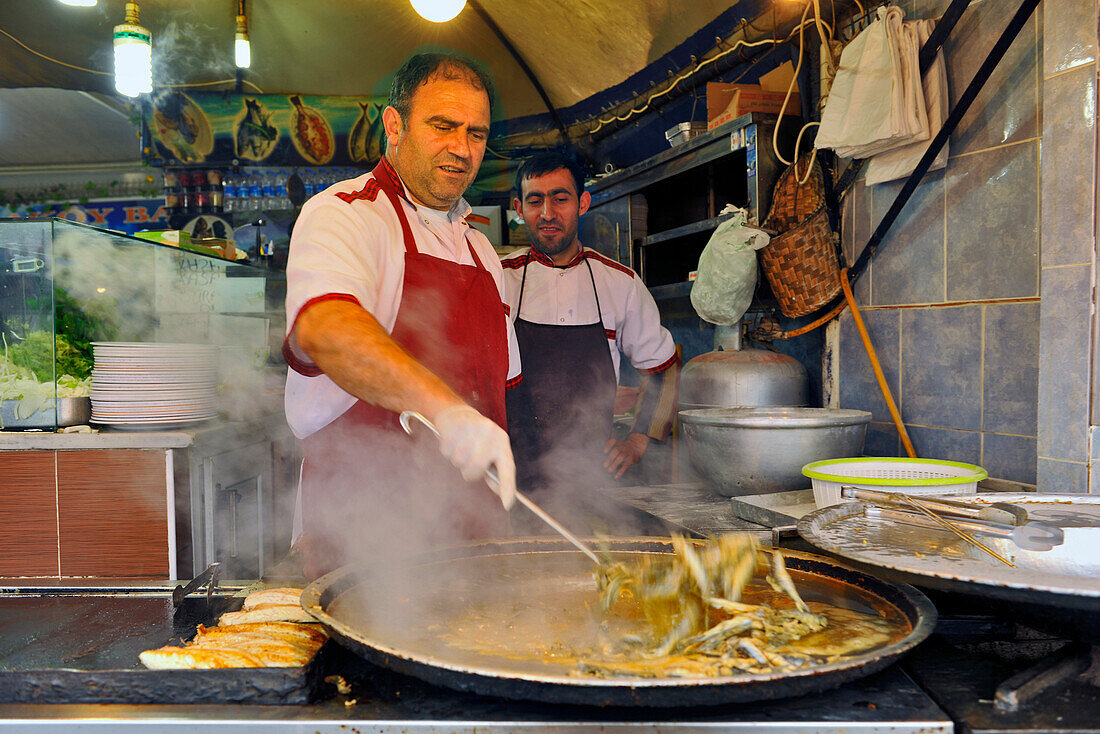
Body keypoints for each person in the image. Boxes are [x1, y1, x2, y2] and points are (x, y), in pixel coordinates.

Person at [283, 52, 522, 579]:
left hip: (474, 546)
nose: (462, 148)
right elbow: (326, 330)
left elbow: (500, 393)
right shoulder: (344, 214)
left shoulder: (483, 251)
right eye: (443, 126)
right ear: (395, 125)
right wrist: (449, 411)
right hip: (364, 548)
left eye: (477, 134)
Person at [502, 150, 680, 494]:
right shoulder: (497, 279)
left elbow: (664, 369)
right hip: (510, 473)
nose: (548, 213)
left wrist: (638, 441)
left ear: (583, 203)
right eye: (535, 201)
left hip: (591, 479)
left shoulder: (620, 283)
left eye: (560, 198)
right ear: (518, 208)